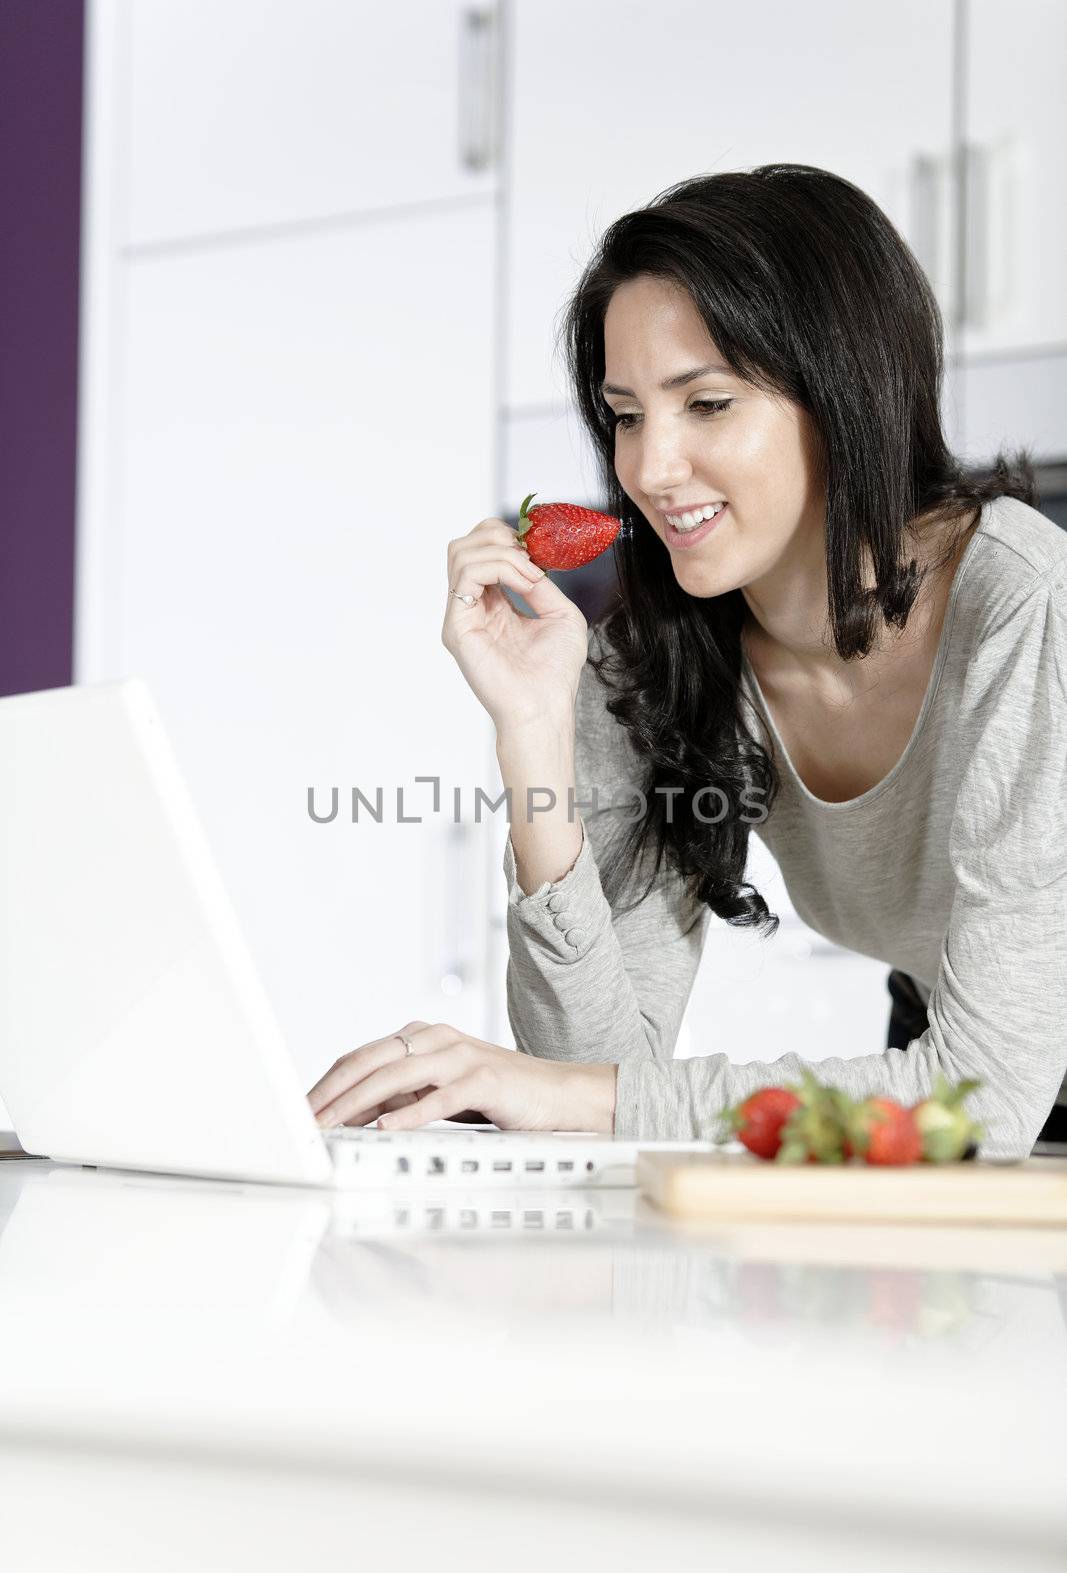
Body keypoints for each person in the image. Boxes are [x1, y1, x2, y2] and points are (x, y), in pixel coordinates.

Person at [307, 163, 1067, 1162]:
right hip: (950, 1079)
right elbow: (586, 1071)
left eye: (705, 403)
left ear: (842, 399)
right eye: (625, 414)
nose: (648, 469)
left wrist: (586, 1099)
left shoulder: (1024, 606)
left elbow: (985, 1098)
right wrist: (533, 735)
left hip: (977, 1088)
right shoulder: (666, 648)